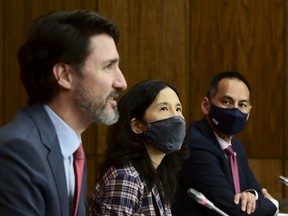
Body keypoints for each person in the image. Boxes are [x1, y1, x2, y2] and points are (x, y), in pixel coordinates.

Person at [0, 10, 127, 215]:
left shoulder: (71, 147)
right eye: (108, 66)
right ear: (65, 75)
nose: (121, 82)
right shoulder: (19, 150)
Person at [172, 71, 279, 216]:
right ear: (206, 105)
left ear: (249, 113)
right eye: (226, 102)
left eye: (242, 105)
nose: (235, 110)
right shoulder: (196, 146)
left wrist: (251, 195)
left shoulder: (236, 146)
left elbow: (256, 190)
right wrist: (273, 204)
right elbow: (231, 211)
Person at [88, 80, 188, 215]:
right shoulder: (126, 178)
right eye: (164, 108)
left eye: (178, 109)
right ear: (137, 126)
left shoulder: (157, 173)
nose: (177, 117)